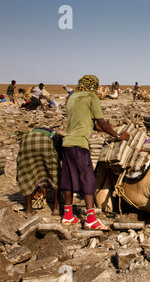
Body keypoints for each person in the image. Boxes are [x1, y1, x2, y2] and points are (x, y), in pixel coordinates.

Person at [60, 75, 130, 230]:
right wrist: (118, 136)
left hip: (67, 144)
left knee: (68, 179)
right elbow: (101, 122)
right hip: (80, 144)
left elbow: (89, 123)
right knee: (88, 179)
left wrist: (105, 130)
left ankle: (67, 215)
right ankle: (91, 219)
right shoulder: (91, 97)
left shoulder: (72, 98)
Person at [16, 127, 63, 217]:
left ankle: (29, 210)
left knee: (28, 173)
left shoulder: (29, 133)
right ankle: (56, 208)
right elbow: (58, 153)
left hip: (27, 144)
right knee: (55, 175)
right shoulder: (55, 136)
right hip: (45, 144)